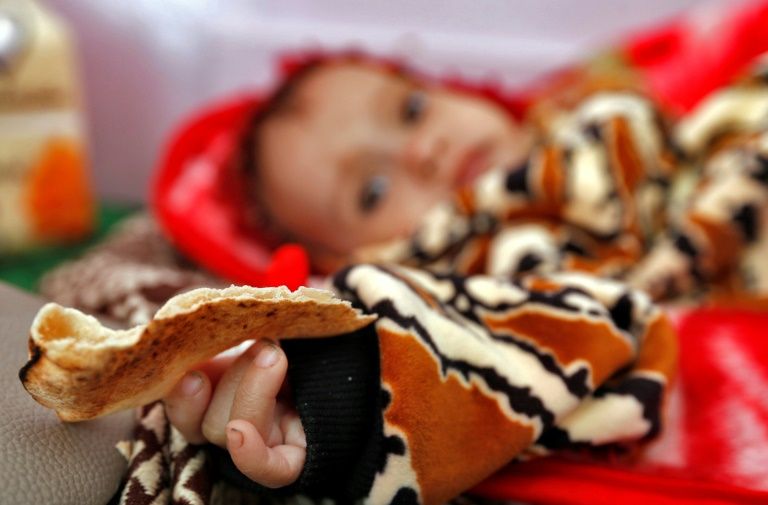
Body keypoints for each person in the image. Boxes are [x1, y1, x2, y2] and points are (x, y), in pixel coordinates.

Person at [39, 11, 768, 503]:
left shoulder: (598, 102)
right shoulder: (468, 264)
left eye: (412, 108)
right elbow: (475, 350)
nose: (426, 149)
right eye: (374, 188)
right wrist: (344, 387)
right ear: (354, 251)